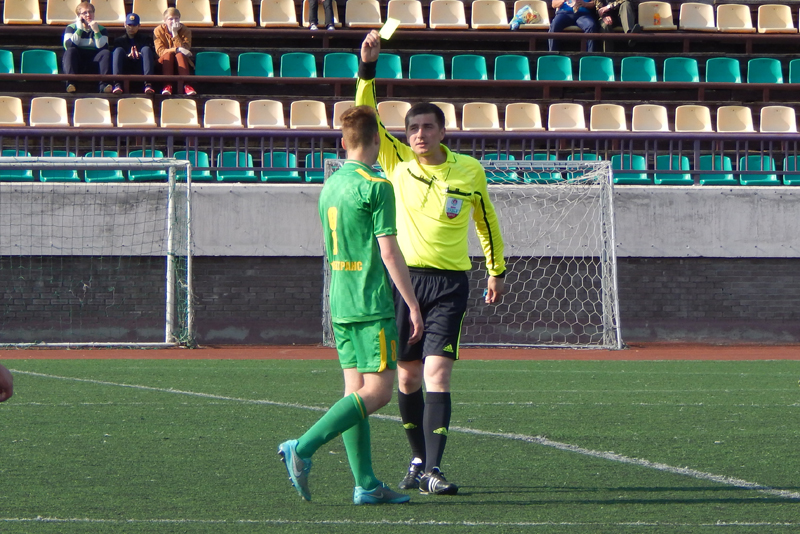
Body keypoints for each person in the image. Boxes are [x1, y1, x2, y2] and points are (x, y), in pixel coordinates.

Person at [356, 31, 507, 496]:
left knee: (437, 372)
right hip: (403, 285)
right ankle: (418, 458)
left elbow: (486, 220)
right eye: (412, 129)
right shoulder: (398, 163)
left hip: (449, 286)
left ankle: (434, 470)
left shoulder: (469, 170)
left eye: (427, 127)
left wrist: (496, 269)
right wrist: (367, 68)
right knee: (406, 376)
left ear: (443, 131)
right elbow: (364, 115)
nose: (419, 135)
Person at [278, 105, 424, 505]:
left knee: (354, 391)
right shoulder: (377, 185)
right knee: (378, 393)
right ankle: (302, 447)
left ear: (344, 142)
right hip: (370, 303)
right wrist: (412, 304)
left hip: (340, 301)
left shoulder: (331, 185)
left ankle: (366, 484)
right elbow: (389, 251)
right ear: (377, 139)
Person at [62, 1, 112, 94]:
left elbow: (103, 47)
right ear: (79, 16)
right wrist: (80, 29)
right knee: (70, 51)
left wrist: (96, 31)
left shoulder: (101, 29)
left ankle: (104, 85)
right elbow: (68, 46)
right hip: (78, 62)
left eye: (90, 12)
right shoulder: (71, 28)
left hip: (94, 61)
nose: (88, 15)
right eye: (84, 13)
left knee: (106, 53)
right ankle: (71, 83)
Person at [153, 8, 196, 96]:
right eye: (170, 19)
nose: (174, 21)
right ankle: (167, 85)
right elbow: (160, 51)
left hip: (181, 62)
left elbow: (185, 50)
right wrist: (176, 49)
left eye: (176, 18)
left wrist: (175, 33)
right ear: (165, 20)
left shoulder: (186, 30)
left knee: (180, 54)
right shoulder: (158, 30)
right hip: (164, 63)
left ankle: (187, 85)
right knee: (168, 54)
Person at [112, 13, 156, 95]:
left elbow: (150, 54)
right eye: (129, 25)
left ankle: (148, 84)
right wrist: (127, 56)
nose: (131, 28)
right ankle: (117, 84)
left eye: (134, 25)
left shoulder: (145, 39)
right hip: (126, 66)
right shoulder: (119, 40)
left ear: (139, 26)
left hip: (141, 65)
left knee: (146, 49)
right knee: (118, 50)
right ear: (125, 25)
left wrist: (139, 54)